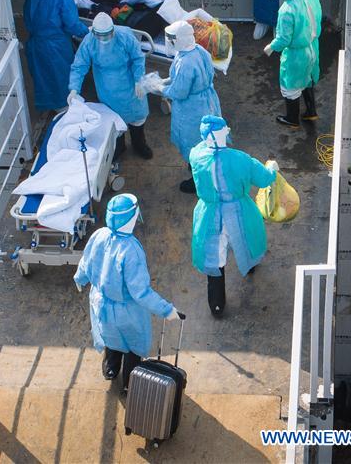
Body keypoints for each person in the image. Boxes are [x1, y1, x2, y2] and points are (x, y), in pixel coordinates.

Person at [74, 194, 181, 388]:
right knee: (133, 344)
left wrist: (79, 278)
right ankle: (129, 385)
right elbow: (141, 293)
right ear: (132, 218)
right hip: (127, 311)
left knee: (110, 337)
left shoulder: (99, 235)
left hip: (100, 303)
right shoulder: (131, 251)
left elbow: (86, 262)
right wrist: (167, 310)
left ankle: (110, 369)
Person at [188, 116, 279, 317]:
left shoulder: (196, 155)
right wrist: (272, 169)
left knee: (215, 257)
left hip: (209, 214)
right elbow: (264, 178)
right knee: (247, 240)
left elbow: (198, 149)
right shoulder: (240, 159)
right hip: (239, 210)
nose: (226, 134)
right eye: (223, 132)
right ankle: (251, 266)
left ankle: (217, 304)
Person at [68, 13, 153, 159]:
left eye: (107, 35)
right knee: (113, 120)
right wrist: (74, 89)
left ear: (113, 30)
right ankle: (119, 147)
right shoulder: (89, 42)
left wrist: (139, 80)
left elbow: (138, 58)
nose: (104, 39)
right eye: (100, 35)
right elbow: (79, 65)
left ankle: (139, 144)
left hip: (130, 83)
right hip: (107, 87)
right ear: (93, 32)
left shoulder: (125, 35)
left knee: (137, 117)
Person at [156, 21, 223, 194]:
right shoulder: (199, 51)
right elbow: (183, 78)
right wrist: (167, 81)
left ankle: (198, 181)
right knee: (207, 139)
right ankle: (204, 169)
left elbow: (179, 92)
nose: (169, 42)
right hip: (207, 101)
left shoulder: (185, 62)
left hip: (192, 109)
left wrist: (159, 88)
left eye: (171, 39)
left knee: (193, 143)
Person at [23, 0, 91, 111]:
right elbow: (72, 24)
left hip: (36, 44)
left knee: (43, 76)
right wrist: (87, 32)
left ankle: (51, 106)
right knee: (60, 76)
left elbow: (27, 17)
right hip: (56, 45)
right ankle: (65, 108)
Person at [263, 0, 322, 127]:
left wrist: (271, 47)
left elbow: (283, 39)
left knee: (291, 85)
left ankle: (292, 118)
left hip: (297, 54)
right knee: (308, 79)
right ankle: (311, 112)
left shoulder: (287, 10)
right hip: (313, 47)